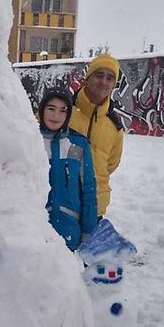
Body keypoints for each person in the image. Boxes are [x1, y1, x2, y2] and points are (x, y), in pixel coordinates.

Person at [39, 87, 97, 251]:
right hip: (36, 231)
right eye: (51, 109)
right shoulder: (31, 139)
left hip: (70, 233)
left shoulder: (79, 144)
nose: (56, 116)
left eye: (62, 111)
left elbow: (88, 190)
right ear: (42, 110)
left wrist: (89, 231)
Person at [69, 54, 124, 216]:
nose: (103, 82)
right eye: (99, 75)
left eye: (110, 78)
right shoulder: (62, 111)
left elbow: (111, 164)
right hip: (60, 202)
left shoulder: (115, 126)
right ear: (88, 78)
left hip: (95, 206)